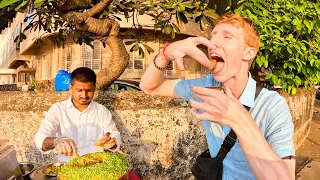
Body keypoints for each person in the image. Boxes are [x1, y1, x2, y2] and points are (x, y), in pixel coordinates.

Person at [140, 13, 295, 179]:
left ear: (248, 53)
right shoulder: (206, 87)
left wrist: (238, 118)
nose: (212, 43)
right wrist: (165, 55)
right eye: (213, 36)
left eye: (227, 36)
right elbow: (149, 87)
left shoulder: (272, 105)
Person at [35, 67, 121, 163]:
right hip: (66, 167)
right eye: (79, 90)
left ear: (94, 88)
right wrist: (56, 141)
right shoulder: (58, 109)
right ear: (71, 88)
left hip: (95, 168)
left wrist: (111, 142)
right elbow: (40, 139)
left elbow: (114, 135)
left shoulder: (102, 111)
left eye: (89, 90)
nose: (84, 96)